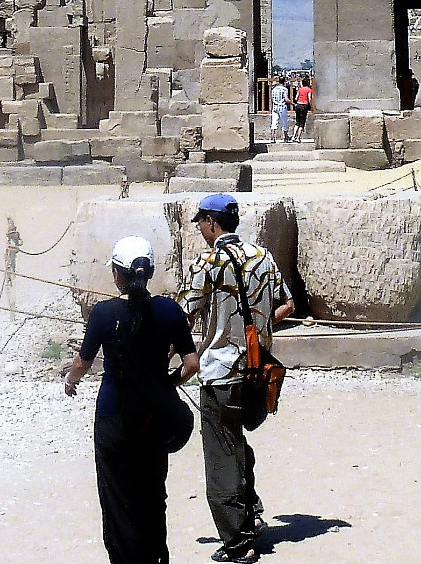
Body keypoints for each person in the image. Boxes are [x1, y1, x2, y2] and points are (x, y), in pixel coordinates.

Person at [65, 237, 199, 564]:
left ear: (117, 273)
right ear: (150, 271)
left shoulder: (103, 313)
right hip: (155, 416)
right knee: (153, 494)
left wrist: (71, 380)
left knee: (117, 499)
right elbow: (192, 364)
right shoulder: (169, 311)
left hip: (115, 416)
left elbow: (83, 363)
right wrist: (168, 384)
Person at [181, 194, 293, 564]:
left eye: (200, 221)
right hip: (257, 370)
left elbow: (186, 319)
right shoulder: (263, 257)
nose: (198, 227)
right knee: (237, 440)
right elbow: (287, 305)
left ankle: (237, 542)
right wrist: (258, 326)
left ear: (213, 223)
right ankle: (252, 511)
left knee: (221, 455)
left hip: (220, 373)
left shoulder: (206, 263)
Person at [268, 77, 291, 142]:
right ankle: (286, 137)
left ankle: (272, 137)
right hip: (282, 106)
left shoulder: (273, 89)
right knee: (284, 122)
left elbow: (272, 99)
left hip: (275, 106)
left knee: (274, 122)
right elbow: (286, 99)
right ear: (284, 81)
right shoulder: (284, 89)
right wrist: (292, 103)